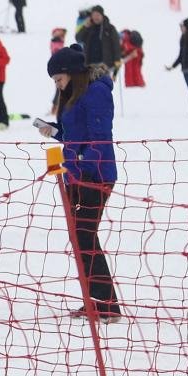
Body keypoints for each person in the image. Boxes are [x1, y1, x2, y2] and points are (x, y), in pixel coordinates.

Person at [37, 47, 119, 320]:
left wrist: (84, 167)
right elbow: (74, 136)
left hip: (95, 176)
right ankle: (95, 300)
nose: (57, 85)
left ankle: (106, 304)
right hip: (75, 175)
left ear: (72, 73)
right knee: (80, 236)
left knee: (84, 235)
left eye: (59, 79)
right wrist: (55, 131)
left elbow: (99, 137)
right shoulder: (73, 94)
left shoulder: (96, 92)